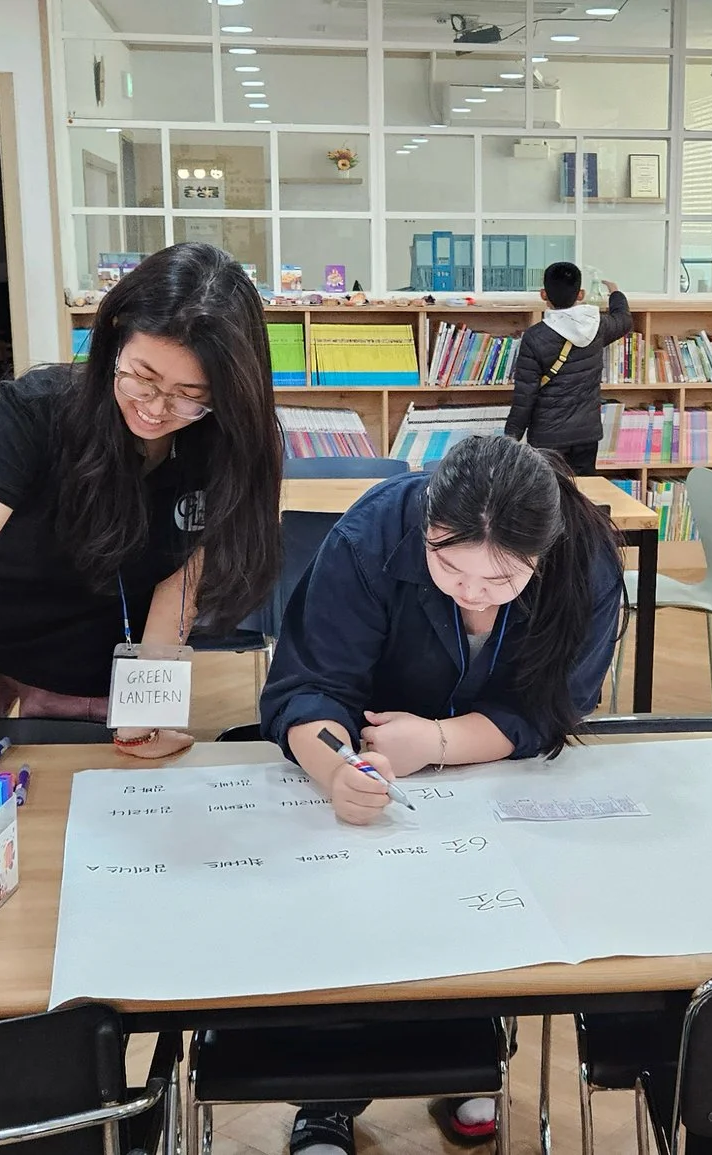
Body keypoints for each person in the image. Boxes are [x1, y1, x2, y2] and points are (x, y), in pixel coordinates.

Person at [258, 433, 623, 1154]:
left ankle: (467, 1064)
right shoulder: (372, 534)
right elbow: (309, 685)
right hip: (372, 759)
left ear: (542, 553)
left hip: (497, 773)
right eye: (450, 567)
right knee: (357, 914)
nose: (473, 592)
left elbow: (556, 707)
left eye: (502, 581)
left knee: (489, 910)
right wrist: (336, 768)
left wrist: (441, 742)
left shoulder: (587, 560)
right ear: (426, 524)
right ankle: (329, 1093)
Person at [0, 243, 281, 784]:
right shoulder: (41, 409)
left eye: (188, 396)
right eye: (142, 378)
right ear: (115, 337)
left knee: (81, 802)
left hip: (92, 662)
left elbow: (181, 578)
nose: (155, 409)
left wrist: (151, 699)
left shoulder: (225, 441)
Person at [504, 262, 632, 474]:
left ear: (543, 294)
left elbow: (524, 396)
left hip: (548, 437)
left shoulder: (535, 337)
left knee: (550, 499)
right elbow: (624, 320)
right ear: (580, 294)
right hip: (587, 435)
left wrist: (510, 438)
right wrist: (615, 292)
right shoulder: (598, 326)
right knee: (581, 497)